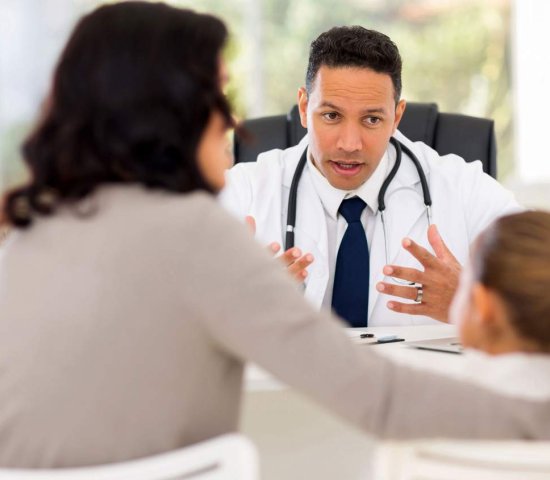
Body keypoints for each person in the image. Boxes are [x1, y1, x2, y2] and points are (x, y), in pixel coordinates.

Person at [0, 2, 547, 469]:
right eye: (216, 100)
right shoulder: (199, 229)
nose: (235, 124)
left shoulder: (32, 230)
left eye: (373, 120)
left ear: (397, 116)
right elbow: (378, 398)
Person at [220, 26, 520, 328]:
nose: (350, 144)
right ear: (303, 107)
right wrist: (234, 307)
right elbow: (177, 315)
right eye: (331, 116)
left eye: (372, 119)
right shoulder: (244, 192)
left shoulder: (464, 189)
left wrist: (470, 306)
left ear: (397, 117)